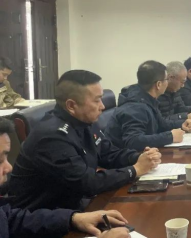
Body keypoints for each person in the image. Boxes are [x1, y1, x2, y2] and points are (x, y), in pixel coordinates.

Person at [0, 119, 133, 238]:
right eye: (0, 160)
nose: (8, 167)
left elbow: (9, 220)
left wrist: (73, 219)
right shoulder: (51, 135)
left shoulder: (86, 126)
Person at [9, 70, 162, 211]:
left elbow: (108, 153)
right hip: (43, 217)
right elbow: (87, 183)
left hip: (71, 206)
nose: (102, 106)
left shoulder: (84, 121)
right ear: (71, 105)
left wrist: (139, 157)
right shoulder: (52, 137)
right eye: (97, 101)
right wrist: (134, 170)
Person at [105, 61, 191, 152]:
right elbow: (133, 141)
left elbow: (161, 124)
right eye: (166, 80)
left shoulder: (149, 98)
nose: (167, 83)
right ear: (158, 85)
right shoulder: (136, 106)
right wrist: (170, 137)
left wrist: (181, 124)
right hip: (122, 157)